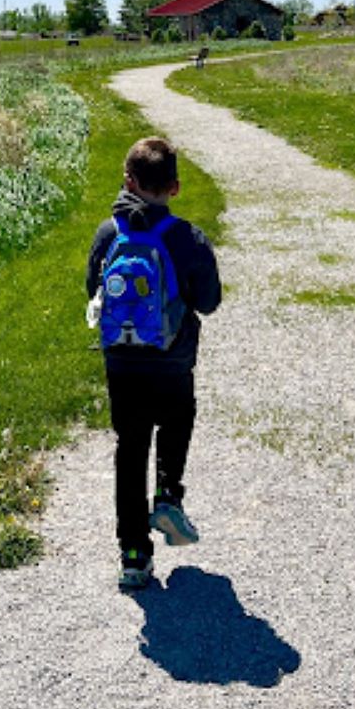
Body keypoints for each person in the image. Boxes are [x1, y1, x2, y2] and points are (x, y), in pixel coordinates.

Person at [86, 136, 222, 590]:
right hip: (172, 360)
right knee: (179, 417)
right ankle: (168, 494)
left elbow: (93, 292)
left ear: (128, 181)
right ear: (175, 188)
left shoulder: (108, 235)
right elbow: (209, 301)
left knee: (130, 448)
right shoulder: (187, 238)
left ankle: (132, 555)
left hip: (122, 364)